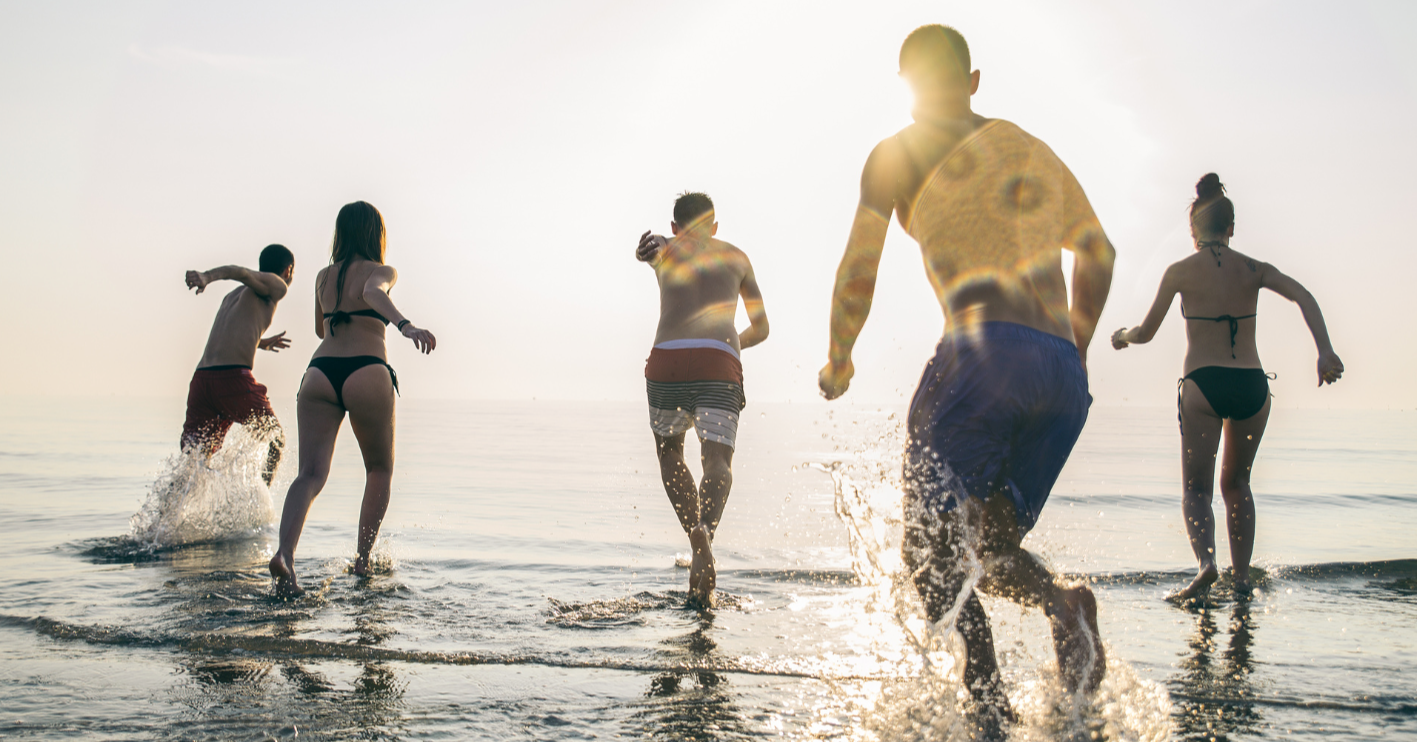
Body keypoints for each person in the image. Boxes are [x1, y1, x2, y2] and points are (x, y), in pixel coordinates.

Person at [817, 25, 1116, 719]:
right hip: (1061, 379)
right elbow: (1097, 252)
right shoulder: (1025, 145)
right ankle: (1063, 605)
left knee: (928, 557)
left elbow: (859, 265)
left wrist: (840, 355)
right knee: (990, 550)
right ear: (972, 81)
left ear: (905, 88)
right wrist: (1074, 351)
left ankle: (989, 709)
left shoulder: (894, 154)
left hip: (981, 356)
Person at [1111, 173, 1343, 603]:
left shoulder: (1180, 270)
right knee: (1237, 485)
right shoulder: (1254, 269)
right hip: (1252, 386)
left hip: (1204, 384)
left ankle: (1206, 566)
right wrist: (1324, 351)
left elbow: (1146, 331)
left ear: (1193, 228)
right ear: (1231, 227)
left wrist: (1121, 335)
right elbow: (1303, 295)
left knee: (1196, 490)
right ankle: (1240, 578)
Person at [269, 201, 436, 597]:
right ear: (375, 234)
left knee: (309, 474)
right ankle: (362, 560)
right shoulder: (381, 271)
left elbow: (317, 327)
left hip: (319, 375)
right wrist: (405, 326)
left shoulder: (322, 276)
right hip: (366, 370)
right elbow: (371, 292)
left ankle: (285, 556)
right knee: (379, 470)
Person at [635, 192, 769, 608]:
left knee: (670, 453)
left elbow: (651, 248)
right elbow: (761, 327)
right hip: (719, 362)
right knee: (717, 460)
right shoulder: (737, 257)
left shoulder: (666, 249)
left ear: (676, 227)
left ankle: (691, 529)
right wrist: (729, 347)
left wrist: (651, 248)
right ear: (714, 227)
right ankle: (705, 533)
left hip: (666, 362)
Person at [181, 245, 296, 486]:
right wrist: (207, 277)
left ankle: (164, 518)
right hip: (231, 380)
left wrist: (260, 342)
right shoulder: (278, 285)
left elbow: (229, 336)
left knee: (193, 462)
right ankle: (258, 508)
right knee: (276, 439)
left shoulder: (234, 296)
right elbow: (241, 271)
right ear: (288, 270)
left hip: (202, 381)